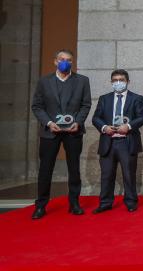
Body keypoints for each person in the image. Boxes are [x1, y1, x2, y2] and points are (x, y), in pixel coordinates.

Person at [30, 49, 92, 219]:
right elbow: (37, 106)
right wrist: (49, 123)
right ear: (55, 62)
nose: (66, 62)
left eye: (69, 60)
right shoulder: (44, 82)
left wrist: (77, 122)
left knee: (74, 169)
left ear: (73, 62)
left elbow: (86, 105)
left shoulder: (82, 81)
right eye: (62, 59)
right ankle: (41, 205)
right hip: (50, 132)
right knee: (45, 169)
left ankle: (74, 204)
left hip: (73, 132)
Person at [92, 69, 143, 213]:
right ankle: (105, 203)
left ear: (128, 82)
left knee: (129, 174)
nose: (118, 83)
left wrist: (128, 126)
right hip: (108, 141)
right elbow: (95, 118)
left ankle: (130, 202)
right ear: (111, 82)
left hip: (127, 142)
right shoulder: (104, 98)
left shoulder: (136, 98)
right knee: (106, 175)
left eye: (121, 80)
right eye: (115, 80)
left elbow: (142, 117)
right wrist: (104, 127)